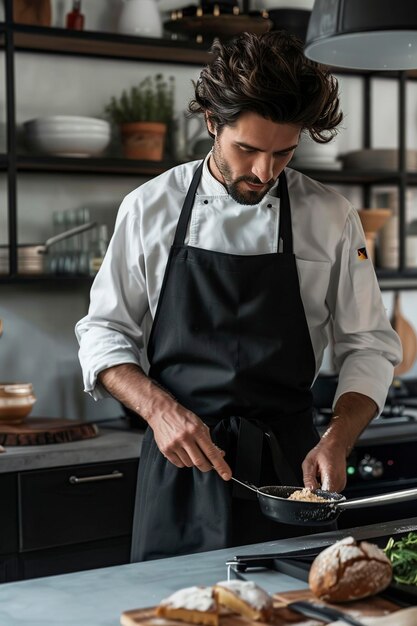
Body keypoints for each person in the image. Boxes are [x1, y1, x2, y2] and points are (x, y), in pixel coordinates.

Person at [76, 30, 402, 562]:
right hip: (182, 465)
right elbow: (102, 331)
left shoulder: (331, 216)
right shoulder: (148, 208)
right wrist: (159, 411)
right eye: (246, 149)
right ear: (211, 122)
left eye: (283, 153)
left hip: (293, 473)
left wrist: (339, 437)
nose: (263, 172)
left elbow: (369, 345)